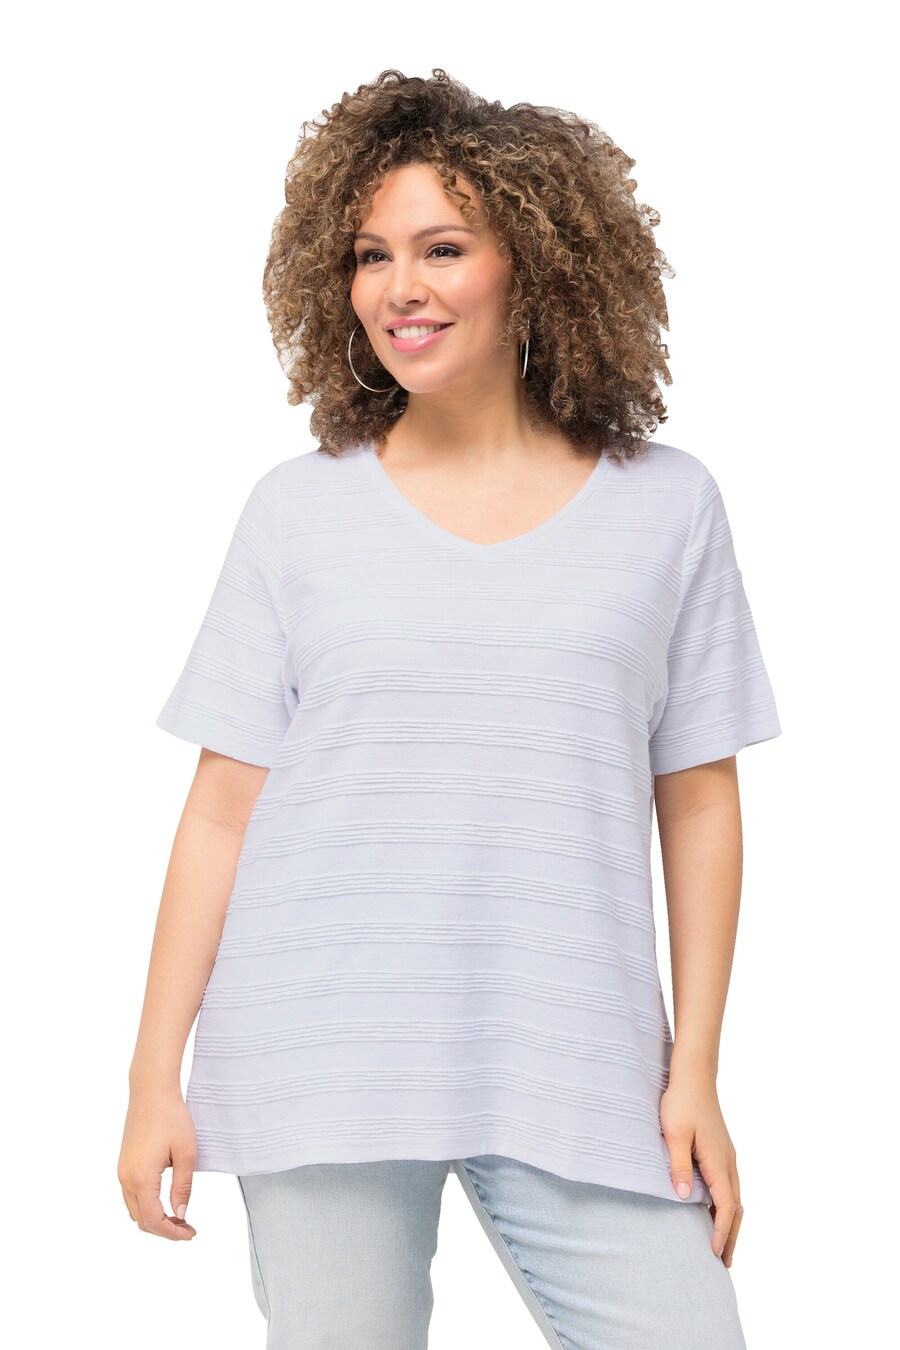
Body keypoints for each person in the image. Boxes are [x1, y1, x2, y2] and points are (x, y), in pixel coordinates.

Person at [118, 67, 782, 1349]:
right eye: (371, 255)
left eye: (442, 248)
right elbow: (220, 811)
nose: (398, 288)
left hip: (574, 1050)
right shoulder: (296, 511)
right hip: (322, 1044)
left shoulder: (667, 506)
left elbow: (699, 798)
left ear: (534, 263)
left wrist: (695, 1067)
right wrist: (154, 1074)